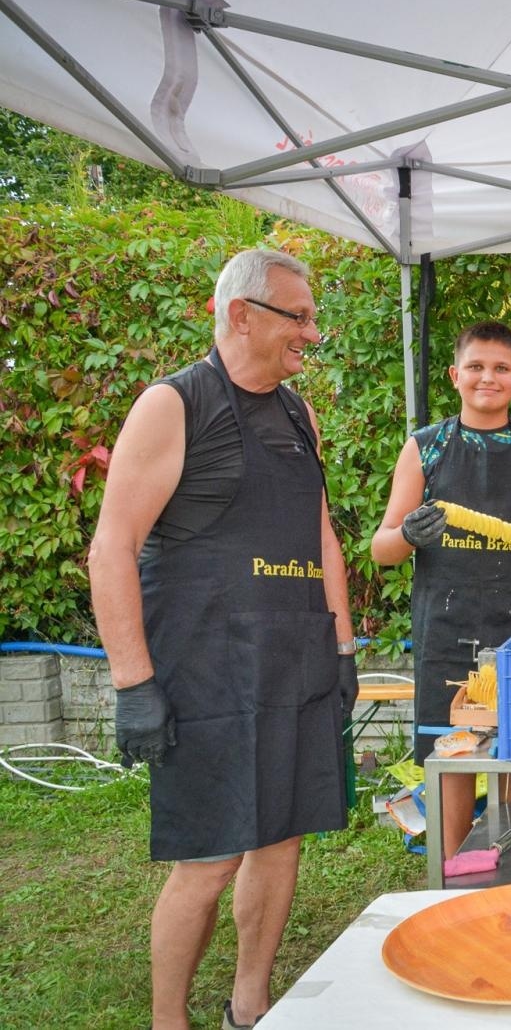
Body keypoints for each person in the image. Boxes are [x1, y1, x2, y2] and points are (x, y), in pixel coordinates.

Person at [87, 248, 356, 1030]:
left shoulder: (298, 413)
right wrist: (134, 684)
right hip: (205, 668)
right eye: (297, 317)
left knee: (280, 841)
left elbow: (322, 538)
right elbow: (112, 547)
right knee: (209, 860)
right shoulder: (173, 405)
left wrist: (341, 649)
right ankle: (168, 1021)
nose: (312, 332)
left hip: (293, 659)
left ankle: (251, 1003)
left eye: (311, 316)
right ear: (242, 314)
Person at [371, 321, 511, 858]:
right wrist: (407, 534)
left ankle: (510, 863)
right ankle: (447, 875)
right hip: (446, 624)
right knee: (449, 753)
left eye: (500, 369)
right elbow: (382, 548)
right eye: (475, 367)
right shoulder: (424, 448)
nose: (487, 378)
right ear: (455, 375)